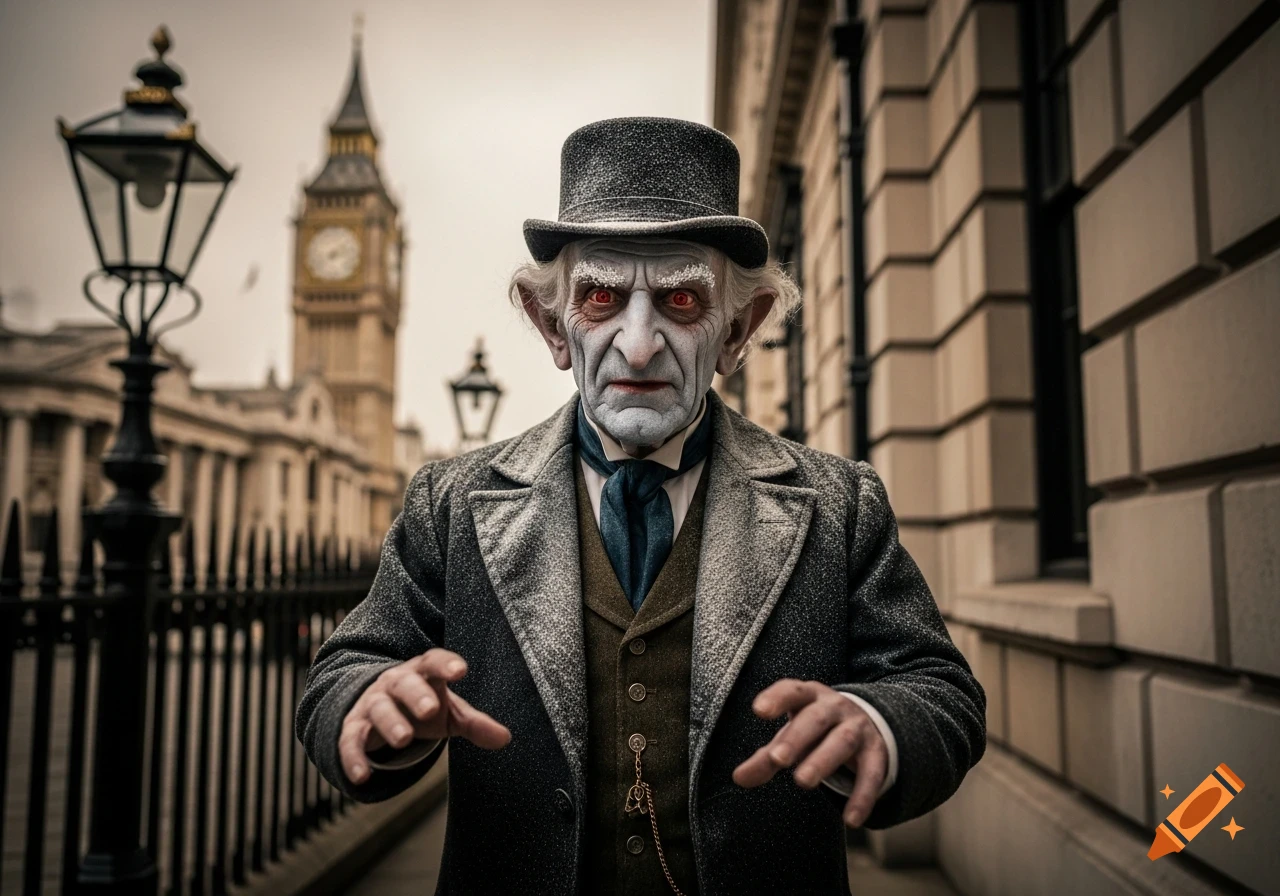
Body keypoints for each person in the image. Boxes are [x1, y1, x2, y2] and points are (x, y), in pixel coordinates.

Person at [296, 116, 985, 896]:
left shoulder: (838, 507)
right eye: (601, 296)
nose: (638, 344)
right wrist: (370, 704)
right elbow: (343, 673)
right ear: (553, 326)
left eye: (682, 299)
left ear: (739, 329)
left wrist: (881, 723)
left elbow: (941, 690)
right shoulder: (451, 504)